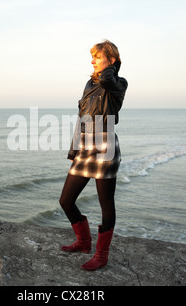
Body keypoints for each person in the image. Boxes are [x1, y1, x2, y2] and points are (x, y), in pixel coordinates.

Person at [59, 40, 128, 271]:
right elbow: (81, 118)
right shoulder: (90, 84)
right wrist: (73, 150)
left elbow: (109, 79)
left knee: (105, 204)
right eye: (93, 57)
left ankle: (102, 254)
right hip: (85, 148)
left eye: (97, 57)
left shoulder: (118, 83)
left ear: (111, 60)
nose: (92, 61)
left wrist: (111, 66)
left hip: (105, 147)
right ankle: (83, 242)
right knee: (66, 201)